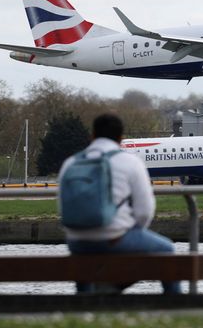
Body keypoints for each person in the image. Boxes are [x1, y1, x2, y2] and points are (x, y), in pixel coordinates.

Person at [58, 113, 181, 295]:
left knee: (85, 262)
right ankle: (176, 306)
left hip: (77, 242)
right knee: (167, 249)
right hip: (115, 238)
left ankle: (84, 302)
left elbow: (63, 206)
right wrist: (131, 232)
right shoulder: (130, 162)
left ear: (92, 136)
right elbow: (145, 211)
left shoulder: (70, 163)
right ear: (120, 137)